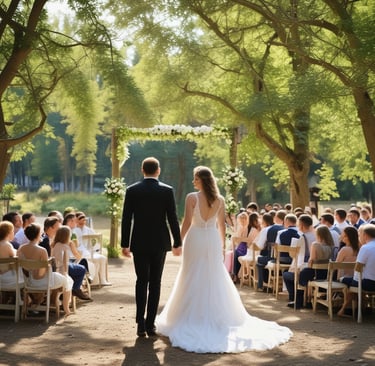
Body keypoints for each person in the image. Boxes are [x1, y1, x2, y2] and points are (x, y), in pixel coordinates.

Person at [155, 166, 292, 353]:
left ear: (202, 180)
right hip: (211, 239)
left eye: (196, 178)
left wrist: (177, 242)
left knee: (191, 273)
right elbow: (221, 227)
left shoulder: (192, 197)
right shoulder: (220, 200)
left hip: (195, 238)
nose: (193, 181)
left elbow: (187, 222)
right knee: (212, 275)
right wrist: (221, 246)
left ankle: (189, 317)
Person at [121, 157, 182, 337]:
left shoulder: (132, 190)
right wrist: (177, 241)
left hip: (139, 242)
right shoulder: (167, 190)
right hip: (159, 242)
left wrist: (125, 243)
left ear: (142, 170)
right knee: (155, 283)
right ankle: (150, 324)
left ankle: (140, 322)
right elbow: (172, 217)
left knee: (141, 281)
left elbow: (126, 218)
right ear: (158, 170)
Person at [16, 223, 72, 317]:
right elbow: (44, 271)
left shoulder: (21, 248)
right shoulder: (42, 250)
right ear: (37, 234)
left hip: (29, 282)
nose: (42, 234)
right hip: (44, 281)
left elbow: (22, 267)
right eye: (41, 233)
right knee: (67, 280)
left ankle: (45, 303)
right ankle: (66, 309)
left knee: (58, 278)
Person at [338, 224, 375, 317]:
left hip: (367, 283)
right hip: (370, 281)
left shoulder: (366, 248)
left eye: (360, 235)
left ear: (365, 235)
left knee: (346, 280)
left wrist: (355, 281)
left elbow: (358, 267)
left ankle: (345, 308)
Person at [231, 212, 260, 283]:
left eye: (245, 218)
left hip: (251, 250)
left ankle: (235, 275)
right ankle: (235, 275)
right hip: (246, 248)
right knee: (236, 253)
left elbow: (249, 240)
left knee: (237, 253)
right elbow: (241, 238)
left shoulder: (255, 229)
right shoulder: (247, 228)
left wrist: (242, 239)